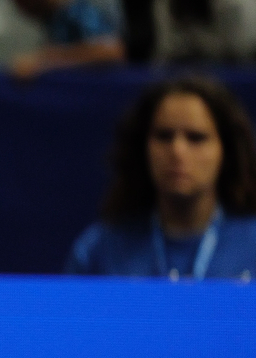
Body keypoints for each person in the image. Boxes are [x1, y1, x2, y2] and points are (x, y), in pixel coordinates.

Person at [68, 75, 256, 279]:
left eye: (196, 137)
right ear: (143, 147)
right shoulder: (99, 250)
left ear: (226, 151)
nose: (177, 151)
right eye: (164, 136)